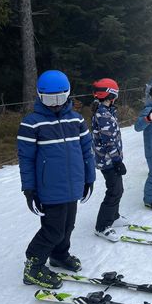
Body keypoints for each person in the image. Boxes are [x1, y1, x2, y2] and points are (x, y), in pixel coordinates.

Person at [18, 70, 96, 289]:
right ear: (40, 97)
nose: (55, 104)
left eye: (59, 98)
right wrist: (29, 189)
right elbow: (26, 159)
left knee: (68, 225)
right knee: (53, 229)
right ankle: (33, 265)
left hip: (74, 185)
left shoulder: (76, 119)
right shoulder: (31, 124)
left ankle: (59, 255)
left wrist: (89, 177)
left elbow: (86, 151)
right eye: (49, 99)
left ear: (67, 95)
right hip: (50, 188)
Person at [91, 78, 128, 242]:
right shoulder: (103, 114)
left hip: (110, 159)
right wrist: (117, 161)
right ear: (110, 94)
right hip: (108, 161)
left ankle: (114, 216)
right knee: (114, 191)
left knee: (118, 189)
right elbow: (109, 141)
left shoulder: (107, 111)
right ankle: (102, 226)